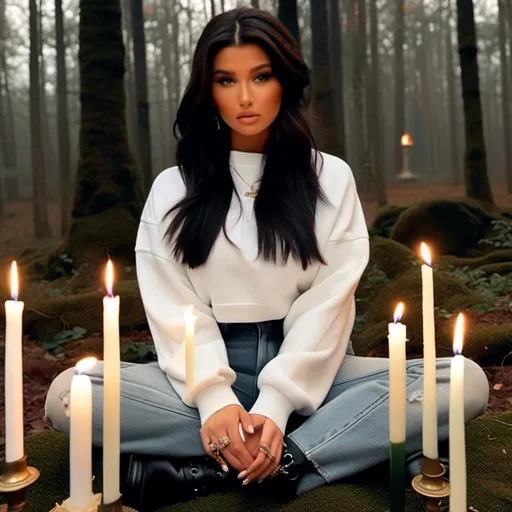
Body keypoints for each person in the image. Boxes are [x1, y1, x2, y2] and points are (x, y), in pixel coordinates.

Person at [45, 6, 490, 512]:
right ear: (207, 91)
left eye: (261, 76)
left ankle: (271, 463)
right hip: (201, 375)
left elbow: (329, 303)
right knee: (70, 394)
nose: (245, 97)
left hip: (315, 367)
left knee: (462, 382)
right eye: (226, 80)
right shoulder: (173, 189)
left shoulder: (331, 179)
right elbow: (174, 309)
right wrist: (215, 401)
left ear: (285, 81)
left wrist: (277, 404)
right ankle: (326, 447)